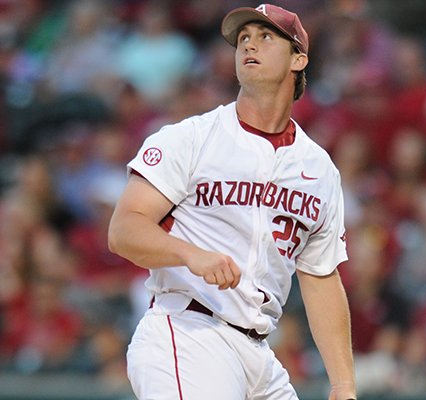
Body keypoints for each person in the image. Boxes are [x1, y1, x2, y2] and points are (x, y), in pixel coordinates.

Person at [107, 4, 356, 400]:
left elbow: (321, 275)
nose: (249, 46)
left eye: (265, 36)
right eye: (243, 38)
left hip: (259, 352)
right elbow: (124, 231)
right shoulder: (189, 138)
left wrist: (344, 385)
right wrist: (190, 254)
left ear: (299, 59)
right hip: (189, 331)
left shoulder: (318, 168)